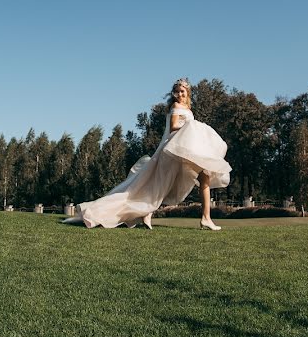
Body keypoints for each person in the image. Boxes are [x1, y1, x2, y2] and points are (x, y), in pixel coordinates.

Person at [64, 78, 231, 230]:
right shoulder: (176, 107)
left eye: (183, 91)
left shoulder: (187, 108)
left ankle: (202, 217)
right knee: (159, 186)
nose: (180, 94)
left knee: (198, 178)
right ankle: (132, 212)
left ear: (188, 93)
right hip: (174, 150)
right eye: (177, 91)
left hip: (183, 150)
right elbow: (173, 127)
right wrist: (192, 127)